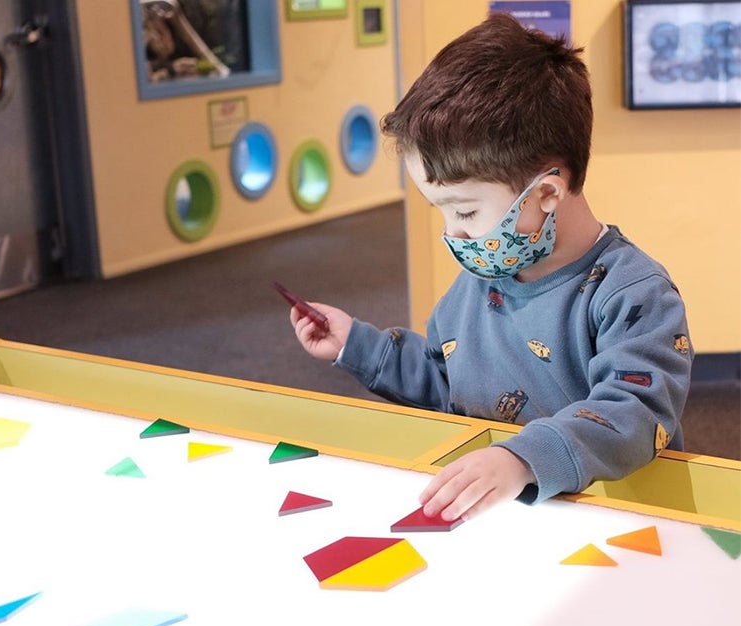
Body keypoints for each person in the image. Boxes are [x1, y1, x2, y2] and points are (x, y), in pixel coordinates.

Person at [287, 13, 693, 522]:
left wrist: (520, 459)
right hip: (512, 517)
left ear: (546, 192)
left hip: (623, 525)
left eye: (465, 211)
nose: (451, 233)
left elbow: (634, 412)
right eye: (441, 211)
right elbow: (449, 383)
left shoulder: (631, 293)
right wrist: (355, 343)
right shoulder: (478, 281)